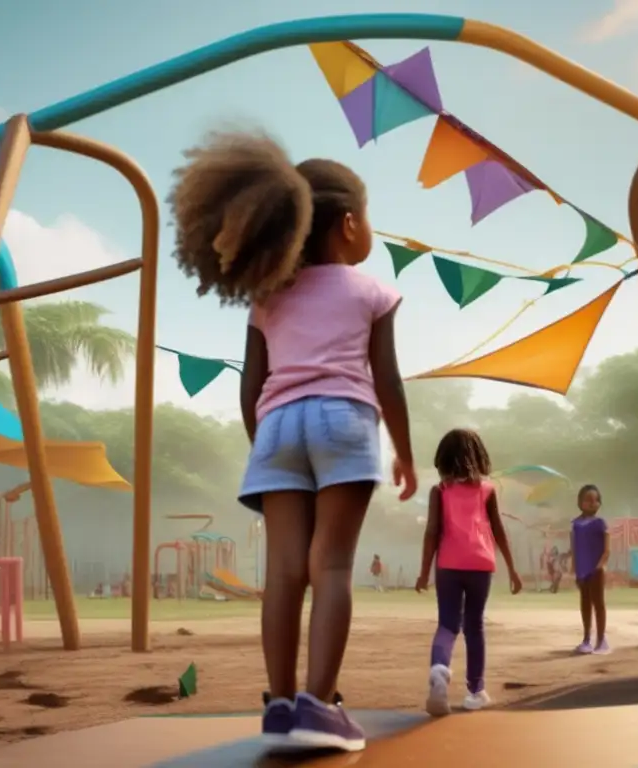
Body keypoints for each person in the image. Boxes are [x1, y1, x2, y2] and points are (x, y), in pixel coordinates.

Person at [169, 130, 418, 753]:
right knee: (330, 563)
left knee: (283, 570)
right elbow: (386, 379)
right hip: (343, 420)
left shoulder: (267, 296)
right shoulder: (372, 291)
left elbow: (250, 386)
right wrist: (406, 454)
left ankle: (279, 705)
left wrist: (267, 443)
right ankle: (319, 705)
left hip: (277, 426)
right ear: (351, 223)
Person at [415, 429, 522, 717]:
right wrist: (512, 569)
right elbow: (499, 530)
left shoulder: (439, 491)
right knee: (474, 626)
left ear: (443, 460)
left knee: (448, 625)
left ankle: (439, 670)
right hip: (480, 565)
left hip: (448, 566)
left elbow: (432, 532)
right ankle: (475, 692)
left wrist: (424, 571)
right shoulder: (487, 490)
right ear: (479, 456)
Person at [571, 484, 610, 655]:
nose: (592, 503)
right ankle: (586, 639)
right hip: (582, 570)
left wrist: (600, 566)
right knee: (585, 603)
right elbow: (574, 548)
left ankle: (601, 640)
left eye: (595, 500)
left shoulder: (600, 523)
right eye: (588, 500)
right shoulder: (575, 524)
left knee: (598, 604)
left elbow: (607, 549)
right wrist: (575, 568)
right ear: (580, 502)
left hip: (597, 570)